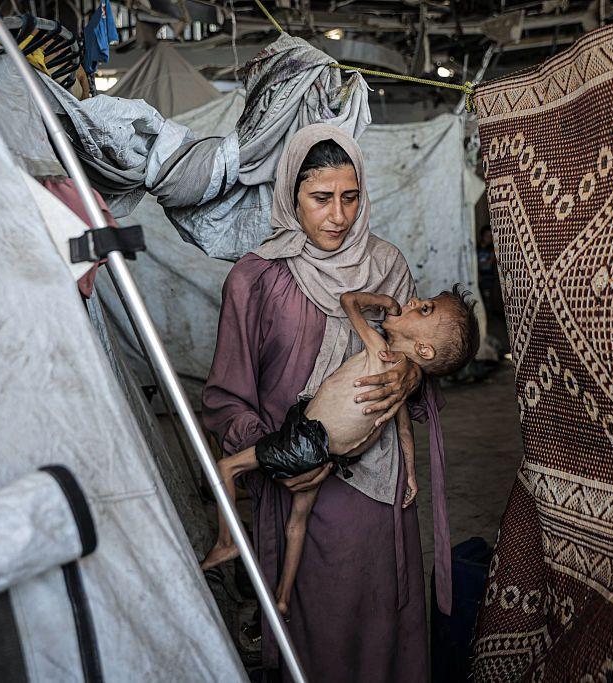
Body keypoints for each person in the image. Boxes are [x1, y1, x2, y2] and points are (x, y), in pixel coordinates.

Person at [202, 123, 453, 681]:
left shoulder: (386, 264)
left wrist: (411, 375)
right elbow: (224, 400)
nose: (338, 216)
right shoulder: (255, 279)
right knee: (316, 628)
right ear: (291, 196)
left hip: (379, 489)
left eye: (351, 197)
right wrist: (282, 456)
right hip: (301, 482)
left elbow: (418, 354)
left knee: (383, 618)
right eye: (320, 198)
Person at [202, 286, 479, 618]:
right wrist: (410, 475)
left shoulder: (380, 352)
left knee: (226, 468)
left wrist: (380, 302)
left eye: (425, 310)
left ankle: (227, 542)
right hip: (329, 458)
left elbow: (348, 300)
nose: (416, 301)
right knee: (297, 523)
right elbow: (405, 431)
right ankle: (283, 598)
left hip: (306, 441)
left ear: (423, 348)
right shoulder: (399, 387)